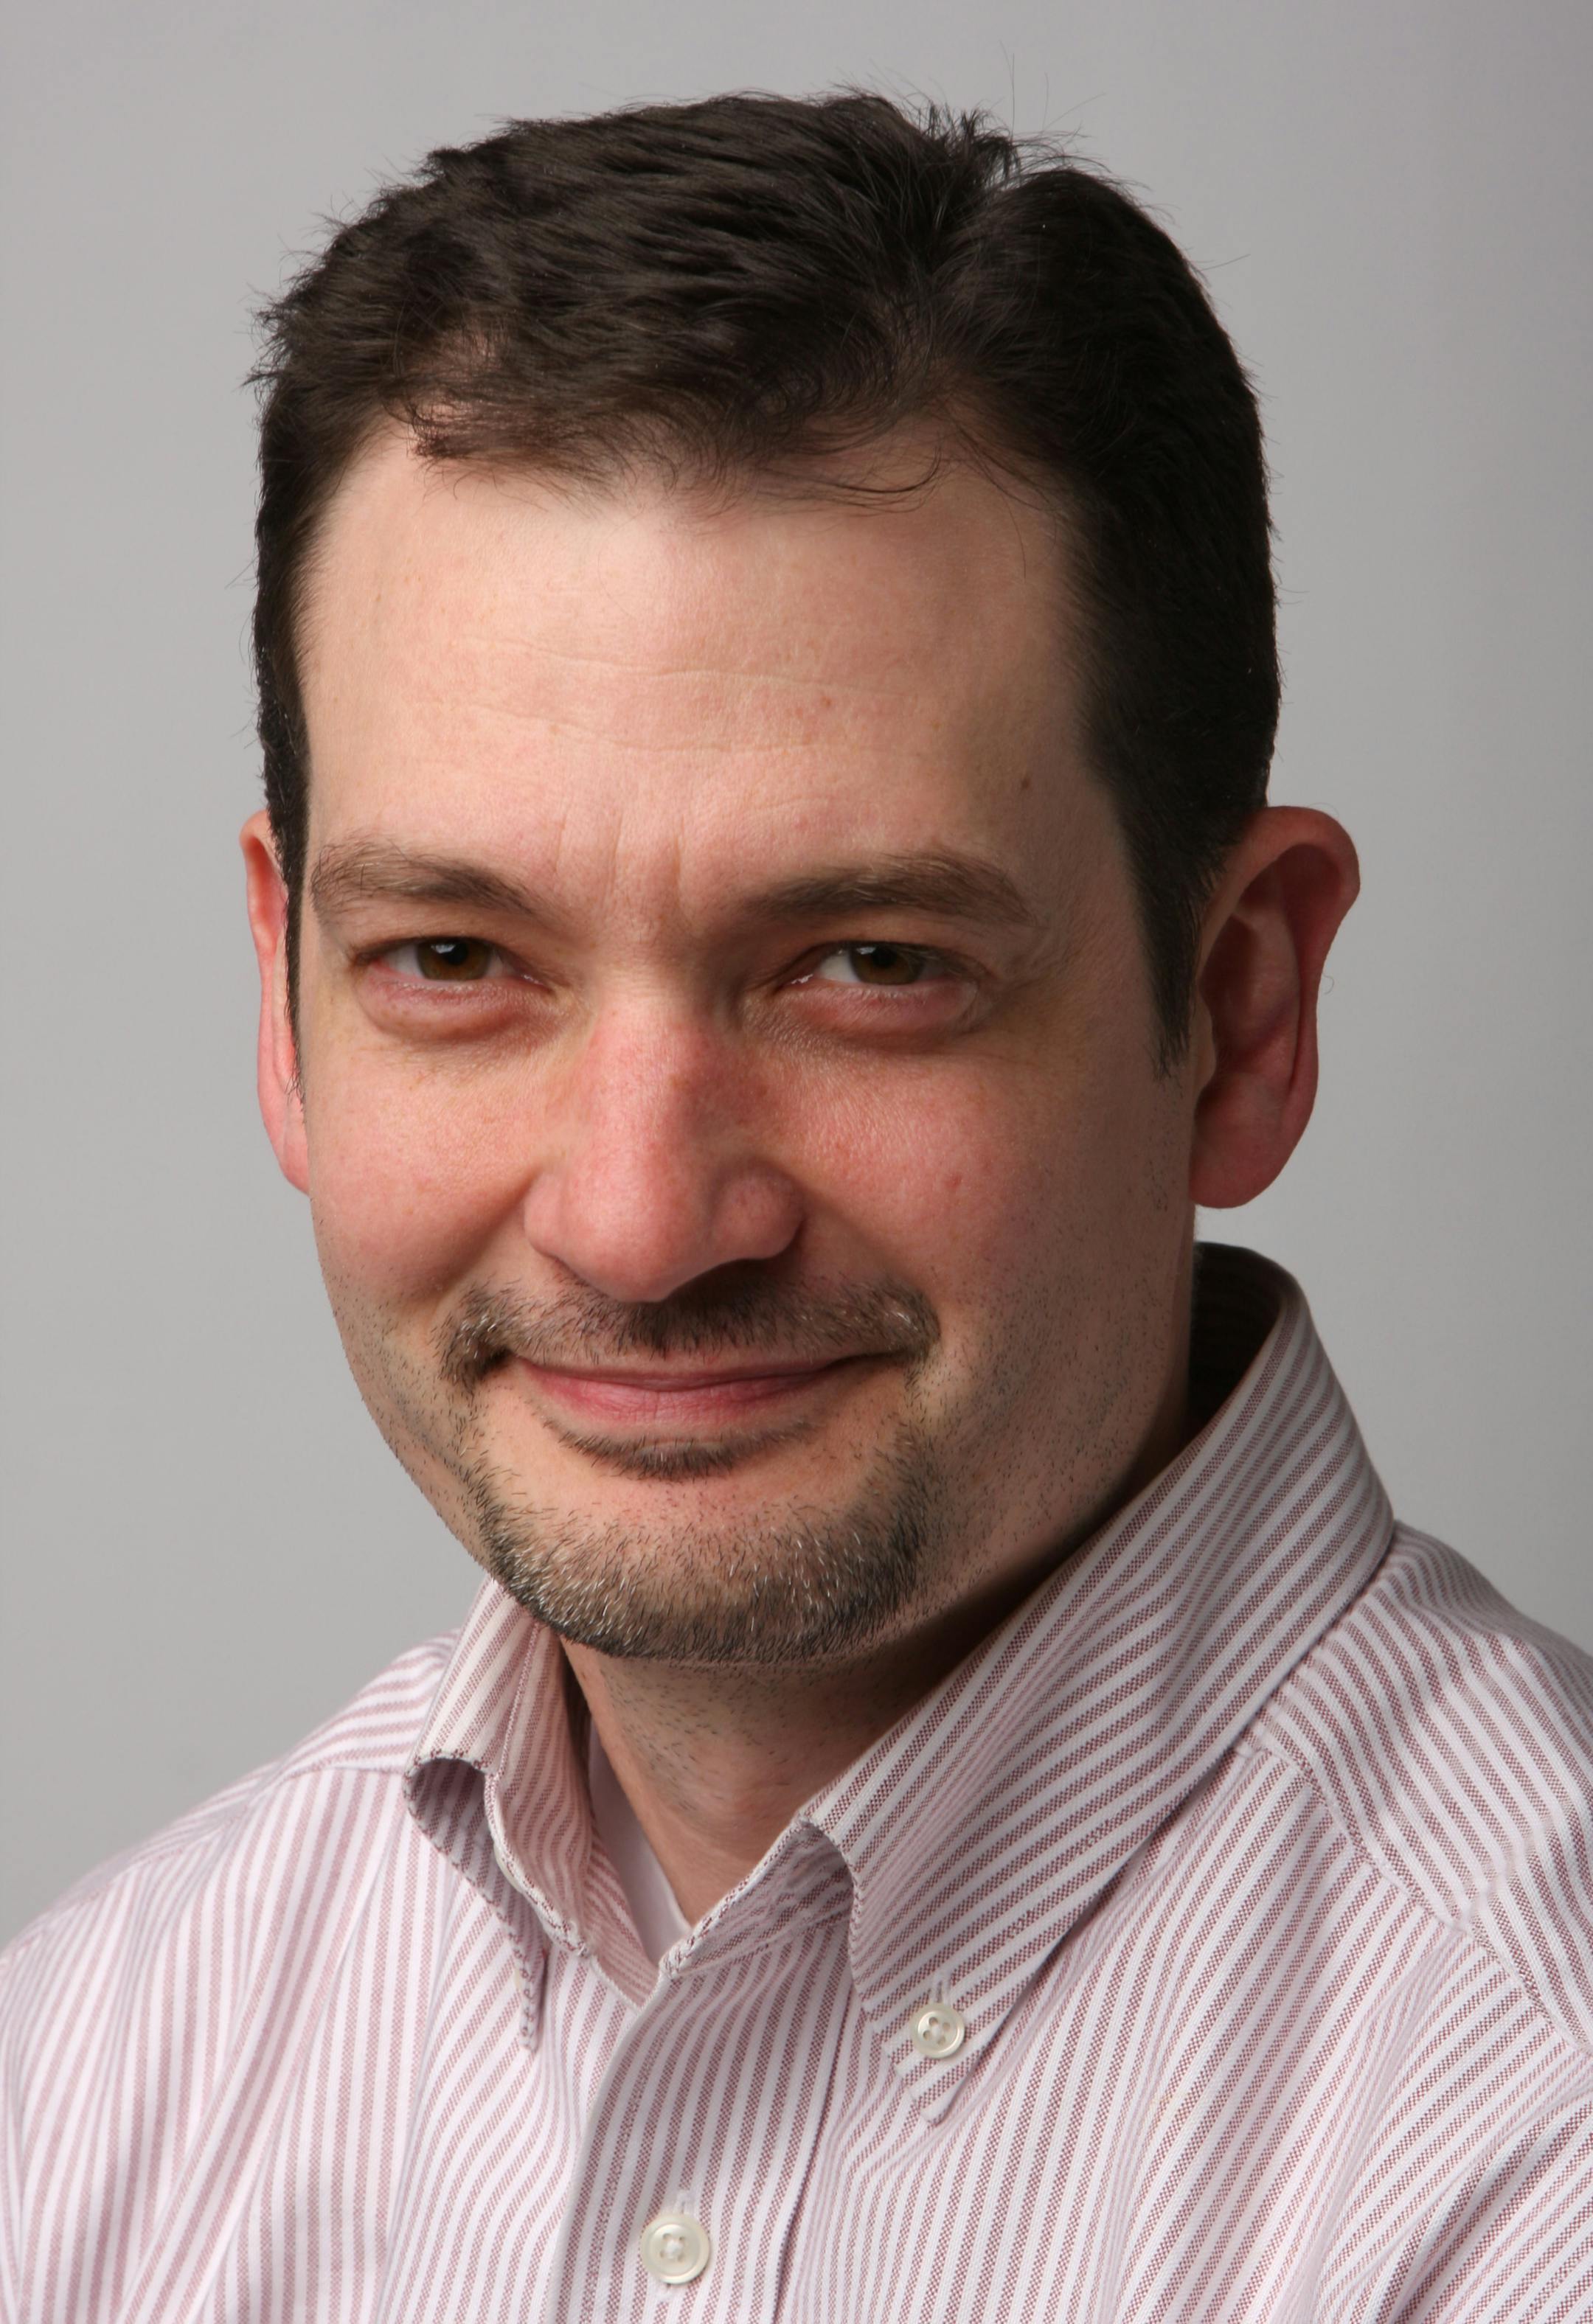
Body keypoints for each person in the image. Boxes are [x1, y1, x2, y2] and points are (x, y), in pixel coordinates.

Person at [2, 88, 1589, 2323]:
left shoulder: (1537, 2125)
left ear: (1238, 1013)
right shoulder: (82, 2092)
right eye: (455, 961)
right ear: (285, 1004)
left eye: (869, 967)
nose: (642, 1224)